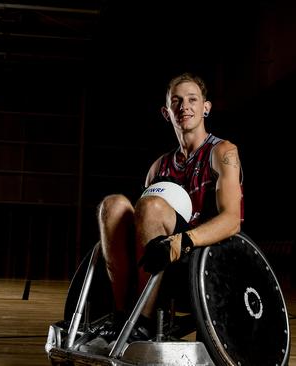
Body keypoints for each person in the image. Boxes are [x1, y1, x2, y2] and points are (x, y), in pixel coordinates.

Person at [96, 72, 243, 341]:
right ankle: (121, 315)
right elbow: (139, 227)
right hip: (155, 257)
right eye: (176, 101)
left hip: (199, 254)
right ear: (166, 112)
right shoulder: (158, 167)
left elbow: (233, 220)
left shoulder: (223, 152)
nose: (184, 106)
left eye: (192, 99)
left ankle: (143, 321)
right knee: (113, 204)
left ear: (205, 108)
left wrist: (180, 242)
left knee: (151, 205)